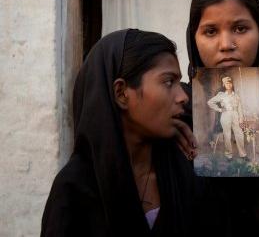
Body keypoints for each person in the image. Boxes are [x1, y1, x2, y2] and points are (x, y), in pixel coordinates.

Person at [41, 29, 217, 236]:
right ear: (121, 93)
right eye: (169, 82)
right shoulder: (74, 191)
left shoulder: (184, 170)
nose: (182, 97)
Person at [179, 0, 259, 235]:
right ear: (193, 37)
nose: (226, 44)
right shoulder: (176, 113)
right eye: (210, 31)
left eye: (240, 28)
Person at [207, 75, 246, 159]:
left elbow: (240, 108)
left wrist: (241, 119)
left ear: (232, 84)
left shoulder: (236, 95)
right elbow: (210, 102)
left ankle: (243, 155)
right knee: (227, 135)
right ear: (224, 85)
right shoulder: (221, 95)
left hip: (235, 115)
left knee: (239, 134)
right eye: (227, 83)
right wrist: (220, 110)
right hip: (225, 116)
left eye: (230, 83)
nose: (229, 85)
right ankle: (229, 155)